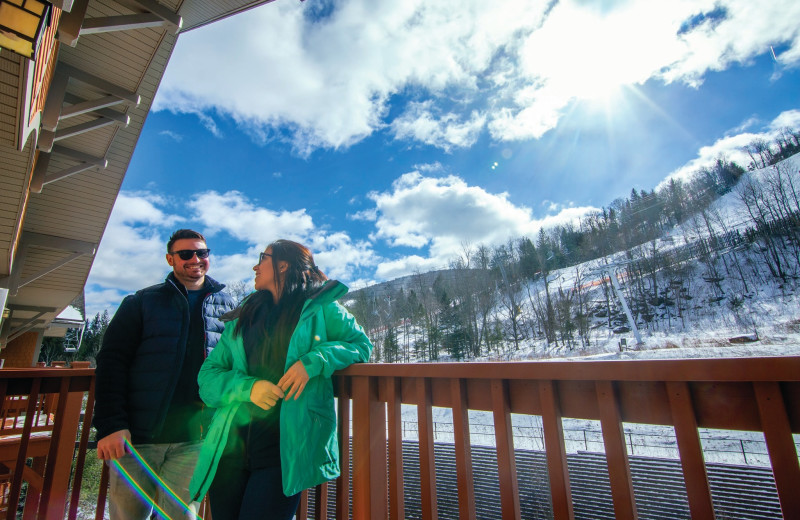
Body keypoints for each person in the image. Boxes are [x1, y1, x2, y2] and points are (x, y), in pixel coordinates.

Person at [188, 239, 373, 520]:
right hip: (229, 451)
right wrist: (249, 388)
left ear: (283, 265)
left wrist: (311, 363)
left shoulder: (320, 306)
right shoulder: (243, 314)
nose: (255, 265)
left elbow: (360, 345)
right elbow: (208, 377)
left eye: (262, 258)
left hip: (282, 455)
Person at [94, 229, 236, 520]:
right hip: (136, 440)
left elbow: (239, 363)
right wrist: (111, 425)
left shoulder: (229, 307)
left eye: (202, 253)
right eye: (186, 254)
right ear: (170, 259)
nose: (196, 259)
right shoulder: (141, 302)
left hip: (195, 440)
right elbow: (111, 362)